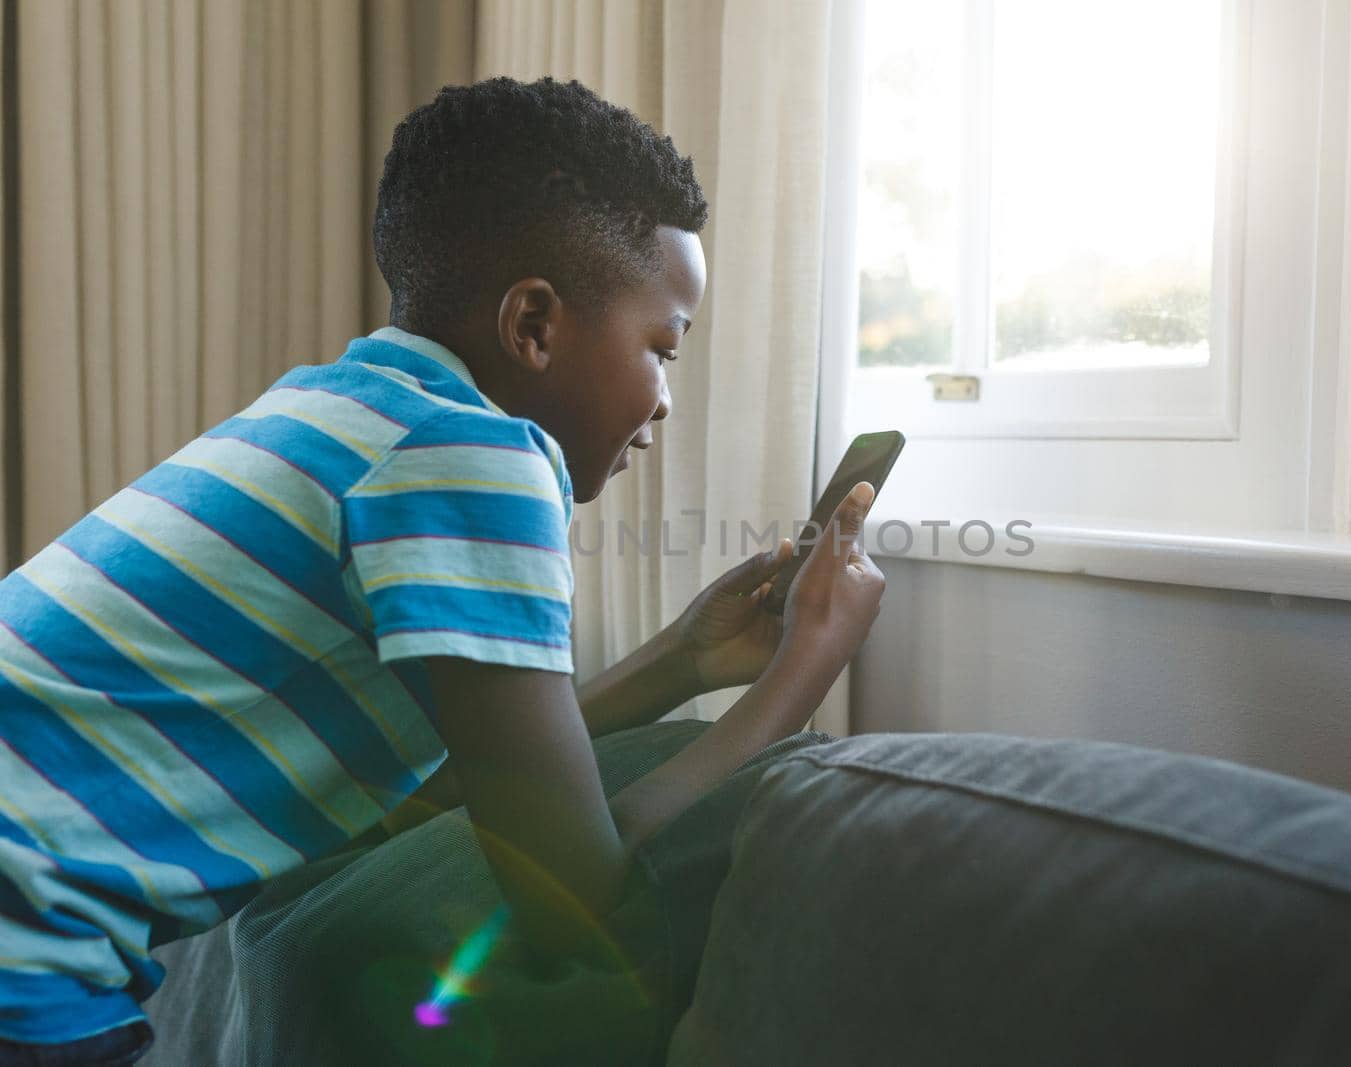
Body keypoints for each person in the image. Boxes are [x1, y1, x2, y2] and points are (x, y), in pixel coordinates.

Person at [0, 76, 885, 1064]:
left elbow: (459, 782)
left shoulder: (339, 412)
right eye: (660, 346)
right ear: (534, 325)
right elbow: (570, 894)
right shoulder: (475, 454)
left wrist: (682, 658)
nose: (664, 398)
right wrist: (801, 667)